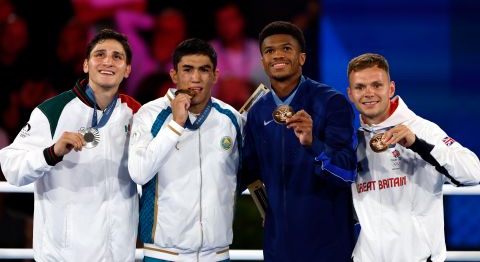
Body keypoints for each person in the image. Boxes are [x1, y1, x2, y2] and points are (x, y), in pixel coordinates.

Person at [0, 29, 140, 261]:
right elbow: (11, 168)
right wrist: (51, 153)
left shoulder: (137, 113)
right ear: (86, 65)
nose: (108, 61)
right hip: (63, 255)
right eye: (100, 54)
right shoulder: (53, 111)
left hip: (118, 255)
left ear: (127, 70)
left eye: (117, 56)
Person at [240, 21, 357, 262]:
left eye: (286, 48)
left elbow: (347, 171)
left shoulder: (331, 102)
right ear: (262, 61)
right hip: (278, 246)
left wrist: (313, 143)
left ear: (302, 58)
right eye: (270, 51)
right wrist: (268, 212)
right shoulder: (257, 111)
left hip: (329, 246)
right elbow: (250, 172)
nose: (278, 55)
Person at [346, 53, 480, 262]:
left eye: (376, 85)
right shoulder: (352, 142)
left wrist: (418, 144)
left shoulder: (421, 129)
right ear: (350, 94)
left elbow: (473, 172)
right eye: (360, 87)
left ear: (390, 89)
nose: (368, 93)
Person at [128, 38, 243, 262]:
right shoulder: (149, 114)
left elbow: (243, 175)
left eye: (204, 70)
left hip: (217, 255)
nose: (196, 78)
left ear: (215, 75)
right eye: (188, 70)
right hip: (164, 254)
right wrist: (176, 124)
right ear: (174, 75)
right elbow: (139, 172)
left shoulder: (231, 118)